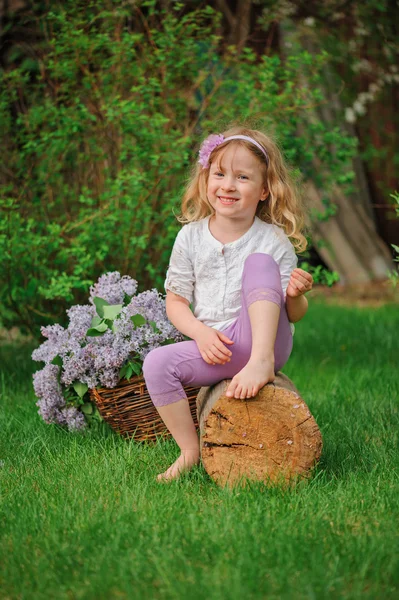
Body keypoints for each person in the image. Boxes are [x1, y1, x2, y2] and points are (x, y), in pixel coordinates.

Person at [142, 126, 313, 482]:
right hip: (215, 347)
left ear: (264, 190)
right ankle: (190, 450)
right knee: (156, 364)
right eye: (219, 174)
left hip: (264, 344)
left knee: (259, 264)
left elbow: (293, 314)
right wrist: (201, 334)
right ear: (206, 179)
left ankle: (260, 363)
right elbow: (176, 302)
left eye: (242, 177)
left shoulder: (272, 240)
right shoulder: (189, 237)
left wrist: (295, 297)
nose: (228, 185)